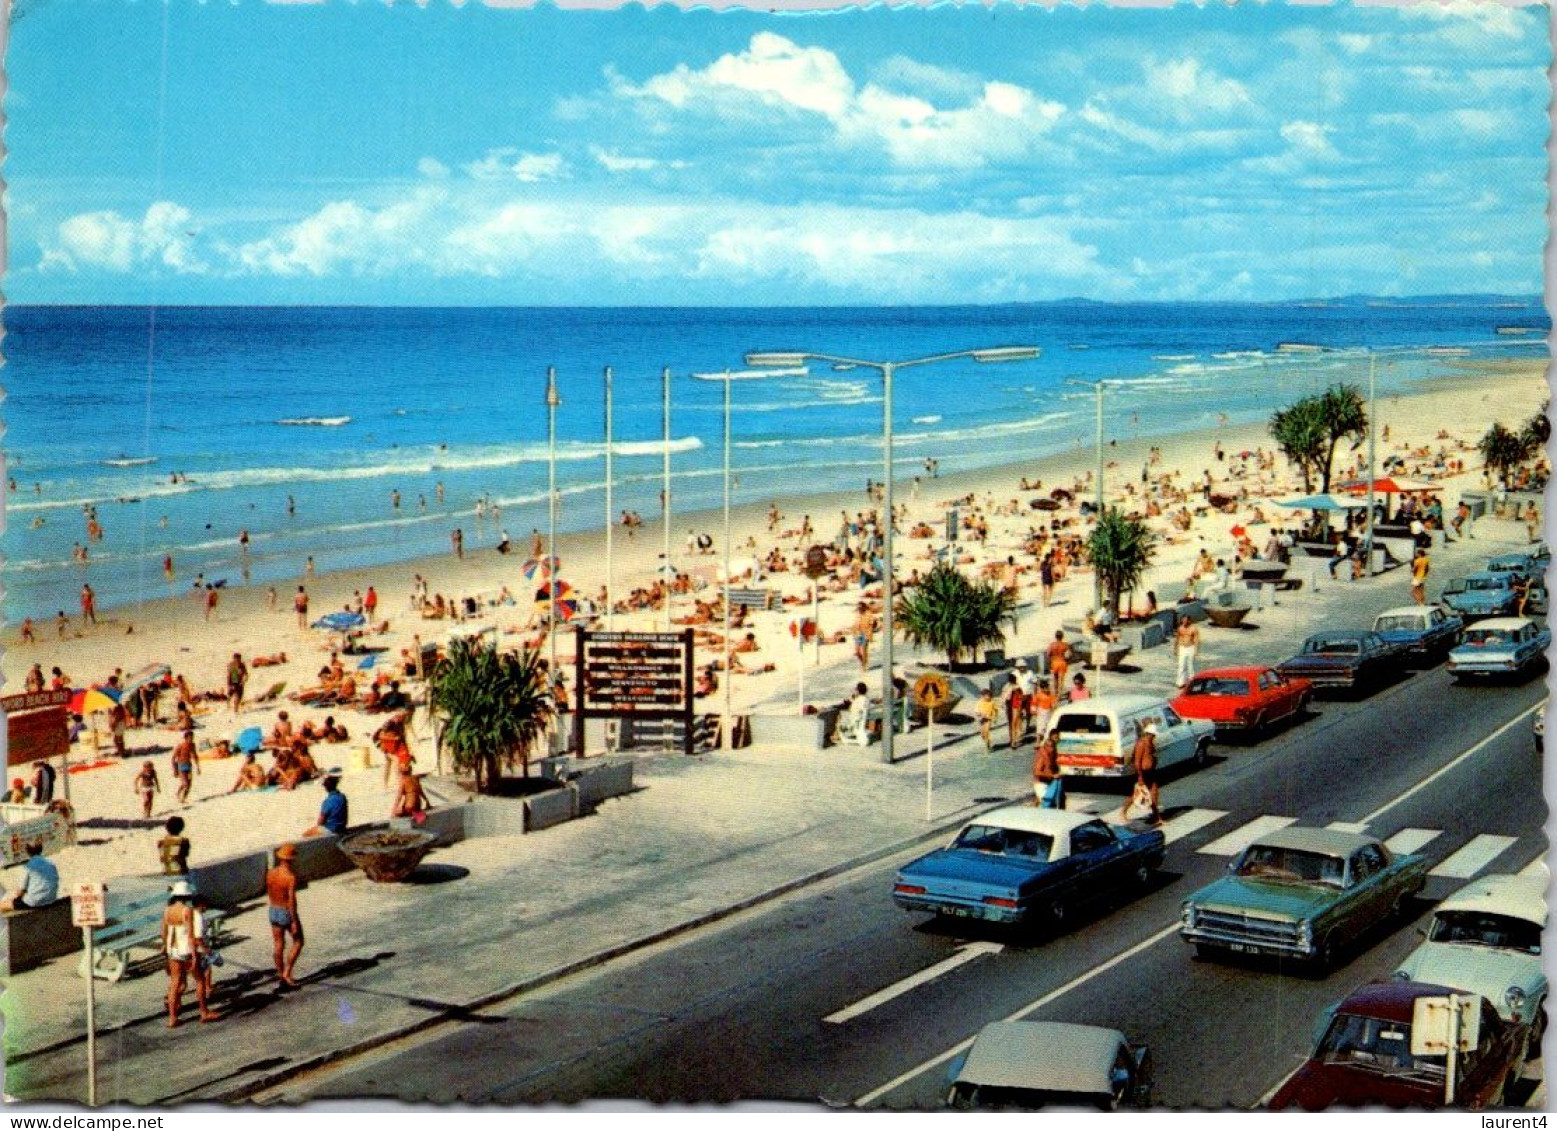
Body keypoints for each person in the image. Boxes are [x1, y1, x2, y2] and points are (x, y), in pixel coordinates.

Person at [162, 881, 217, 1027]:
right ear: (186, 896)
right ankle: (204, 1012)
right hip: (185, 949)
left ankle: (172, 1018)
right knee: (199, 979)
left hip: (172, 950)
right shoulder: (187, 911)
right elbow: (191, 935)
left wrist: (165, 951)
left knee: (175, 983)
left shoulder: (167, 910)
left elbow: (164, 933)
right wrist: (194, 956)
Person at [266, 844, 304, 988]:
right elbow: (291, 902)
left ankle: (280, 974)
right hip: (285, 911)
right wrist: (293, 921)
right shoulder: (290, 877)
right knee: (298, 941)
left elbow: (269, 891)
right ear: (292, 859)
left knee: (278, 944)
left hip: (273, 909)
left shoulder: (270, 873)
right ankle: (287, 972)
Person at [1121, 721, 1161, 825]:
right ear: (1149, 734)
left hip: (1150, 772)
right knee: (1135, 795)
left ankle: (1156, 816)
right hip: (1142, 773)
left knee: (1154, 793)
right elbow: (1137, 761)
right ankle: (1123, 812)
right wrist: (1140, 777)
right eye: (1153, 735)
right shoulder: (1141, 743)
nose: (1154, 736)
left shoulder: (1150, 743)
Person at [1, 843, 58, 911]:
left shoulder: (29, 866)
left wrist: (15, 899)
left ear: (28, 852)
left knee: (3, 905)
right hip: (51, 899)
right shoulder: (51, 864)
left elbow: (21, 891)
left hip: (36, 902)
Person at [1033, 732, 1063, 808]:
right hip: (1041, 784)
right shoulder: (1042, 756)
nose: (1052, 749)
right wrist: (1052, 775)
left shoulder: (1052, 753)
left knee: (1053, 803)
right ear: (1047, 747)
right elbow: (1036, 772)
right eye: (1051, 747)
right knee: (1046, 804)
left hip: (1049, 783)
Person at [171, 729, 199, 805]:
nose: (191, 739)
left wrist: (198, 767)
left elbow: (195, 755)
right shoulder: (180, 746)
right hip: (181, 765)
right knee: (185, 783)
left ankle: (183, 798)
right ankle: (178, 793)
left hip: (189, 765)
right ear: (186, 738)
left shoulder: (193, 745)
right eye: (190, 738)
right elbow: (173, 758)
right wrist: (174, 770)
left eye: (192, 737)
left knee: (189, 784)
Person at [1174, 615, 1200, 688]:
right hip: (1182, 647)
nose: (1184, 622)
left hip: (1190, 647)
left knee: (1190, 665)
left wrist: (1196, 650)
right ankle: (1180, 682)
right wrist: (1175, 648)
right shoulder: (1180, 628)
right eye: (1183, 620)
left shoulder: (1193, 629)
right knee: (1181, 665)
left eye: (1185, 620)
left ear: (1189, 621)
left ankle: (1192, 682)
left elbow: (1196, 640)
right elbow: (1177, 638)